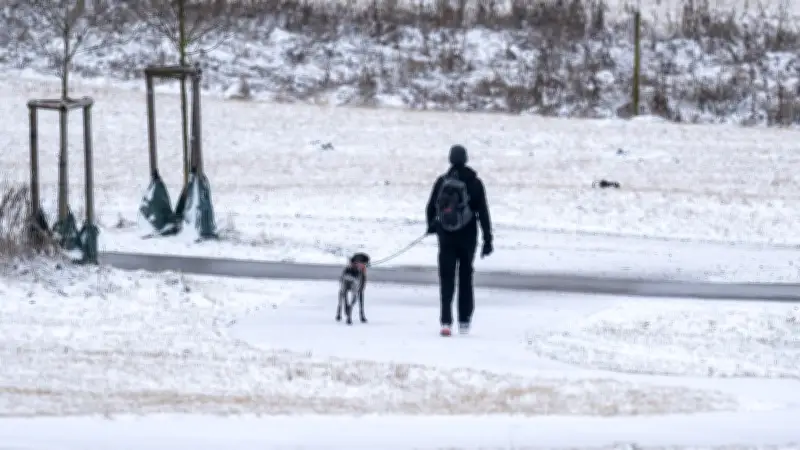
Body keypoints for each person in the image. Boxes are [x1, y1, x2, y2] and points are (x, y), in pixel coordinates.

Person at [425, 144, 493, 336]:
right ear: (466, 159)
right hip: (468, 236)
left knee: (446, 277)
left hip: (446, 236)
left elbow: (430, 207)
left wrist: (432, 226)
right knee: (465, 276)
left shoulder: (442, 181)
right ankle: (464, 321)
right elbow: (483, 212)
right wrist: (488, 239)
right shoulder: (475, 183)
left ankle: (446, 322)